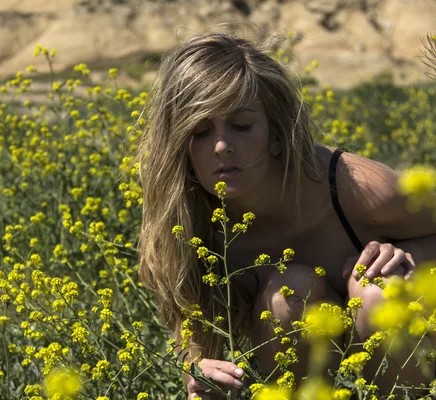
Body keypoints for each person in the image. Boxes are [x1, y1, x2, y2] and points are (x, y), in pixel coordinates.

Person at [135, 31, 436, 399]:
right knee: (286, 294)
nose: (221, 145)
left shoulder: (355, 188)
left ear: (277, 133)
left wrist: (410, 255)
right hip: (308, 367)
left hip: (412, 350)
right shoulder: (191, 222)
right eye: (199, 131)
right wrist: (197, 371)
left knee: (377, 290)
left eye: (241, 126)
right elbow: (191, 327)